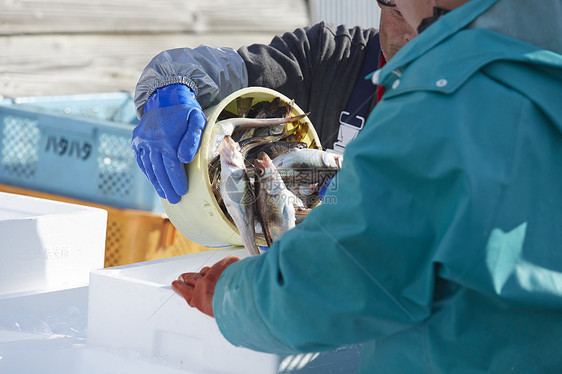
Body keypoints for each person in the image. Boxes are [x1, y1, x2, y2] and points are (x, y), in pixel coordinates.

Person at [170, 0, 562, 373]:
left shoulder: (445, 97)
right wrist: (172, 81)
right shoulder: (538, 64)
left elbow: (348, 277)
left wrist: (232, 295)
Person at [131, 1, 416, 204]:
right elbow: (215, 70)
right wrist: (170, 89)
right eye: (400, 12)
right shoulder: (325, 55)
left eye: (431, 23)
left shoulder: (460, 117)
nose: (411, 35)